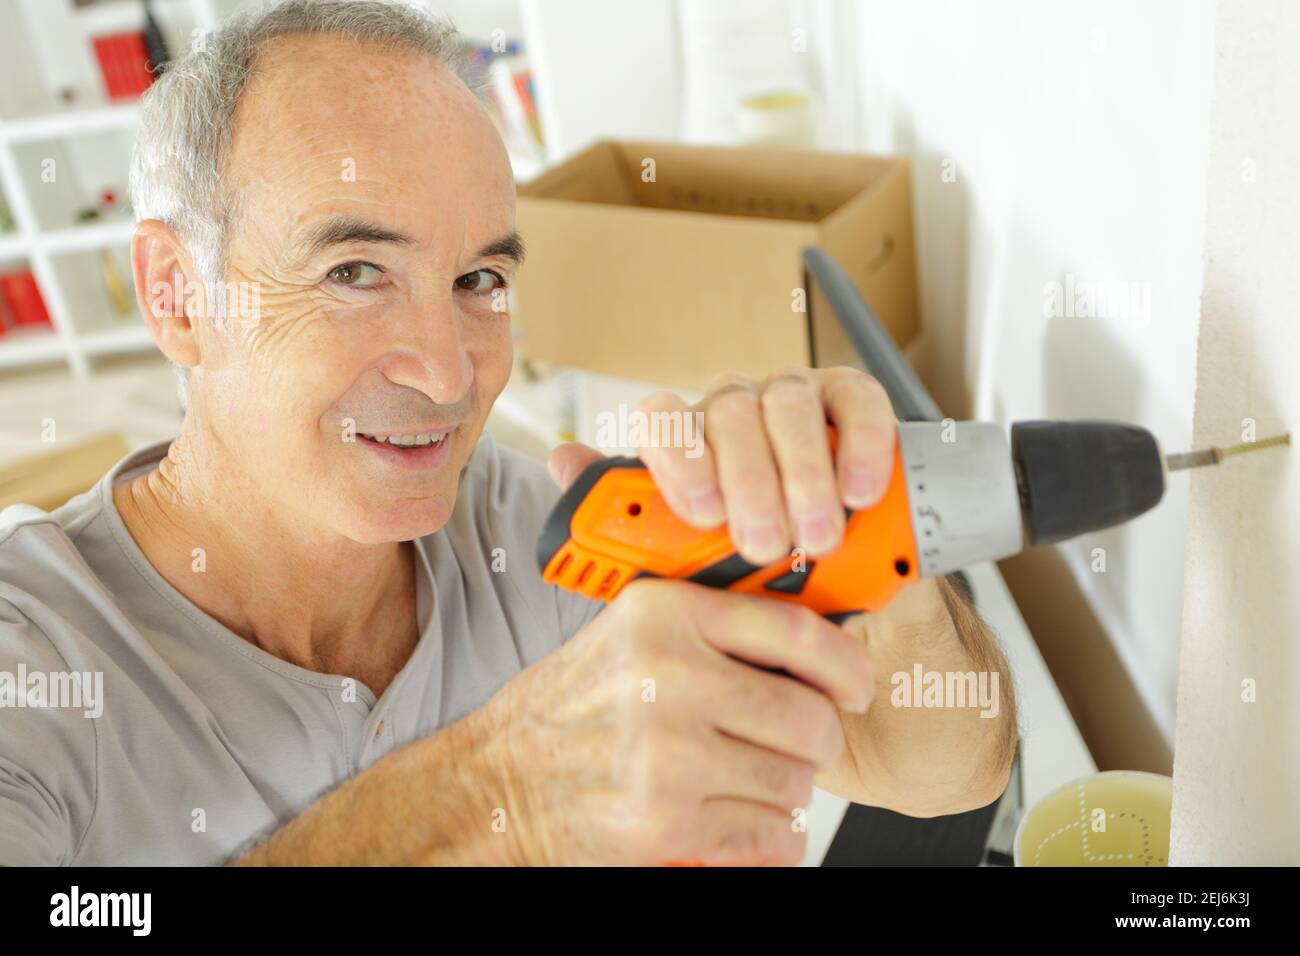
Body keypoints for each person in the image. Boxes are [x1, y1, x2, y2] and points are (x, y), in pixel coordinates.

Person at [0, 0, 1014, 866]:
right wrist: (496, 796)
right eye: (355, 272)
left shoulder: (531, 535)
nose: (447, 373)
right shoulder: (35, 662)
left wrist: (880, 572)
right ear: (176, 293)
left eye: (478, 280)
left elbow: (939, 769)